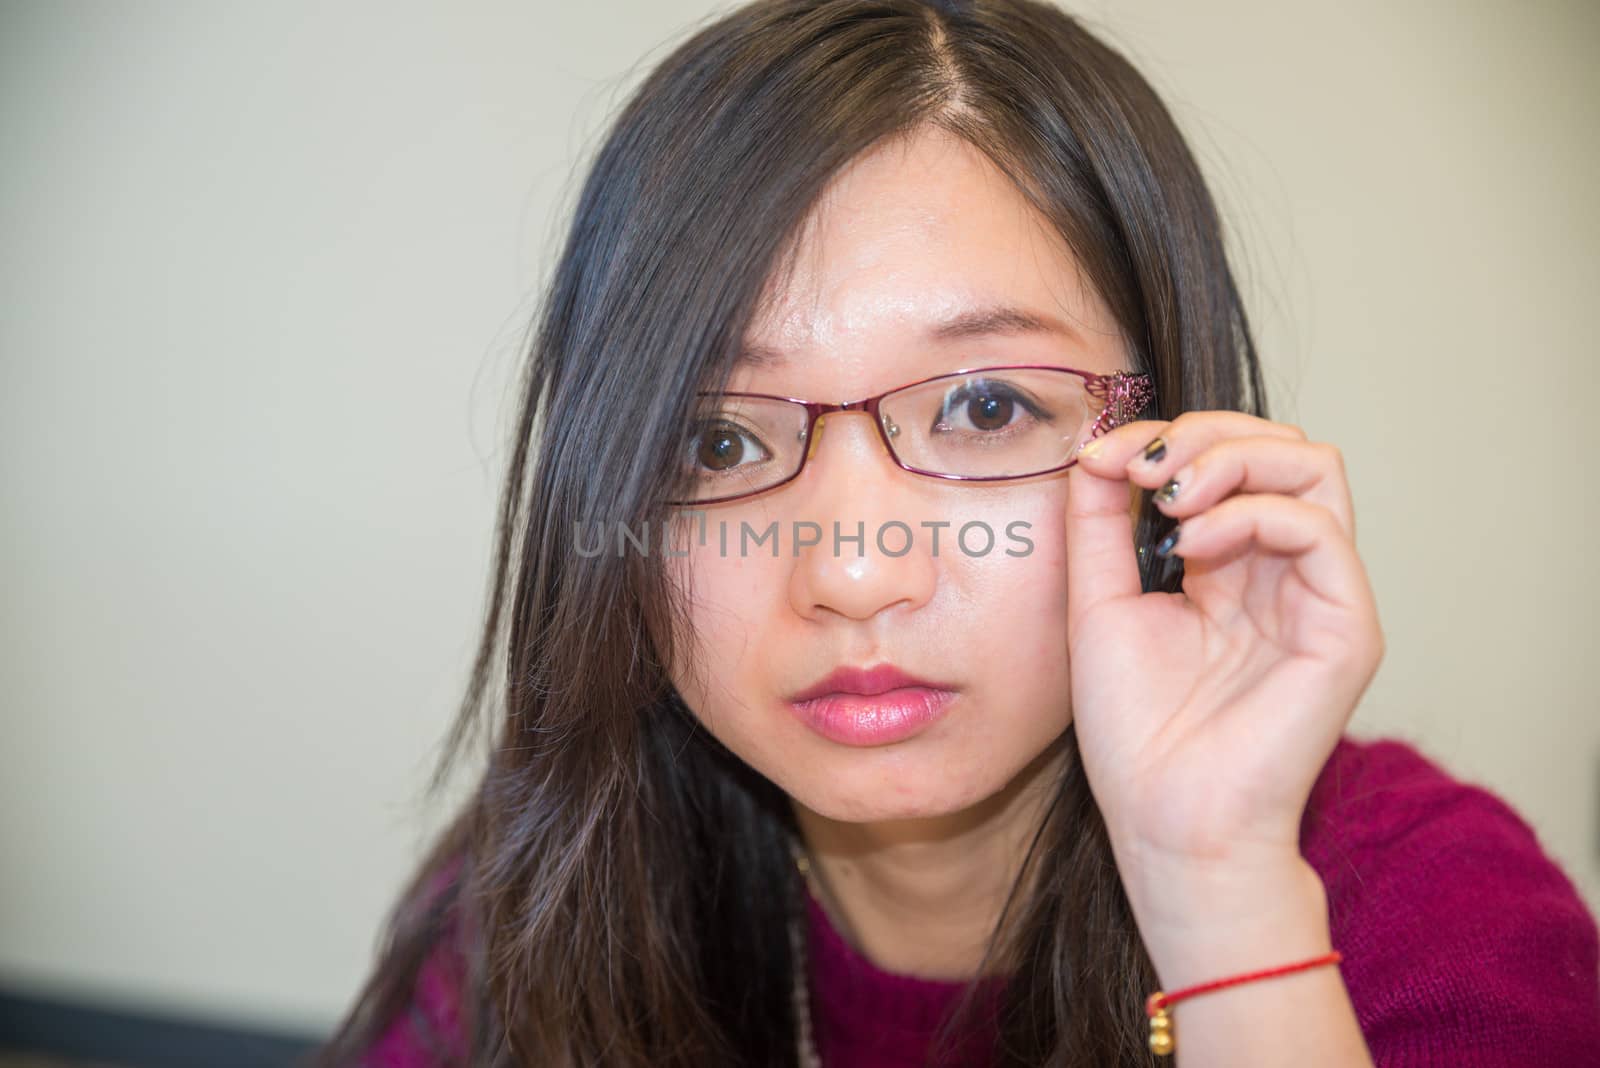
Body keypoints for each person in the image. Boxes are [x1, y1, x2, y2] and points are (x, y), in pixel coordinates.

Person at [309, 1, 1600, 1065]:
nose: (856, 575)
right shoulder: (546, 893)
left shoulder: (1433, 917)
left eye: (987, 408)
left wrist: (1216, 885)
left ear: (1167, 452)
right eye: (718, 441)